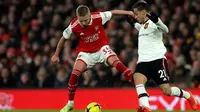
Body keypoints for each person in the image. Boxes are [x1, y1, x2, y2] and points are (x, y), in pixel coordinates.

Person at [51, 5, 135, 112]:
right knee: (74, 75)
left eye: (86, 20)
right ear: (77, 18)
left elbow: (113, 12)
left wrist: (129, 13)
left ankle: (135, 83)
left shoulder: (98, 17)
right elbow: (63, 39)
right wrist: (56, 54)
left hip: (101, 49)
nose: (84, 23)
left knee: (118, 64)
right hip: (86, 53)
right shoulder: (74, 25)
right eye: (81, 21)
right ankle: (70, 104)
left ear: (90, 15)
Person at [126, 1, 199, 112]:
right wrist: (131, 22)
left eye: (136, 14)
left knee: (167, 91)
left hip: (157, 60)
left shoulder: (155, 23)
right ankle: (146, 107)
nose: (135, 16)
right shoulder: (141, 27)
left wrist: (156, 20)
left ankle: (188, 95)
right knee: (137, 79)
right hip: (143, 62)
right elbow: (140, 27)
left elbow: (166, 30)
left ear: (144, 12)